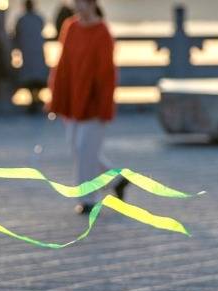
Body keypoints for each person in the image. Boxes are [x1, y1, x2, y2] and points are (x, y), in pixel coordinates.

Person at [48, 0, 128, 215]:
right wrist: (57, 97)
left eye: (82, 3)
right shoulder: (71, 27)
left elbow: (106, 75)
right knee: (77, 147)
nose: (78, 7)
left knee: (85, 150)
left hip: (93, 103)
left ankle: (88, 199)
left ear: (92, 4)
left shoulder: (102, 32)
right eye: (76, 3)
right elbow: (63, 64)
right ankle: (116, 180)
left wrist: (104, 107)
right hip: (73, 99)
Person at [13, 0, 48, 113]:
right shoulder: (39, 18)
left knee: (30, 77)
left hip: (27, 55)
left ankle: (34, 100)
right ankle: (36, 100)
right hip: (38, 55)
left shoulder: (21, 20)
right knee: (37, 77)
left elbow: (16, 36)